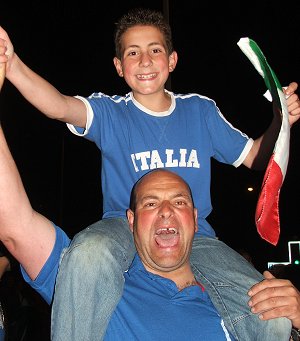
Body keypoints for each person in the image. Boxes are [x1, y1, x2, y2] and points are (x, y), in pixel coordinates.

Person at [0, 7, 299, 341]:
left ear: (171, 60)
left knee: (272, 314)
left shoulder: (200, 110)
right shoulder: (111, 112)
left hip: (196, 236)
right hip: (122, 228)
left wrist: (278, 120)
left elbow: (256, 158)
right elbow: (58, 105)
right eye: (132, 52)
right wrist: (12, 65)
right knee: (87, 254)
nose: (144, 60)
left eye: (155, 50)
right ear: (119, 66)